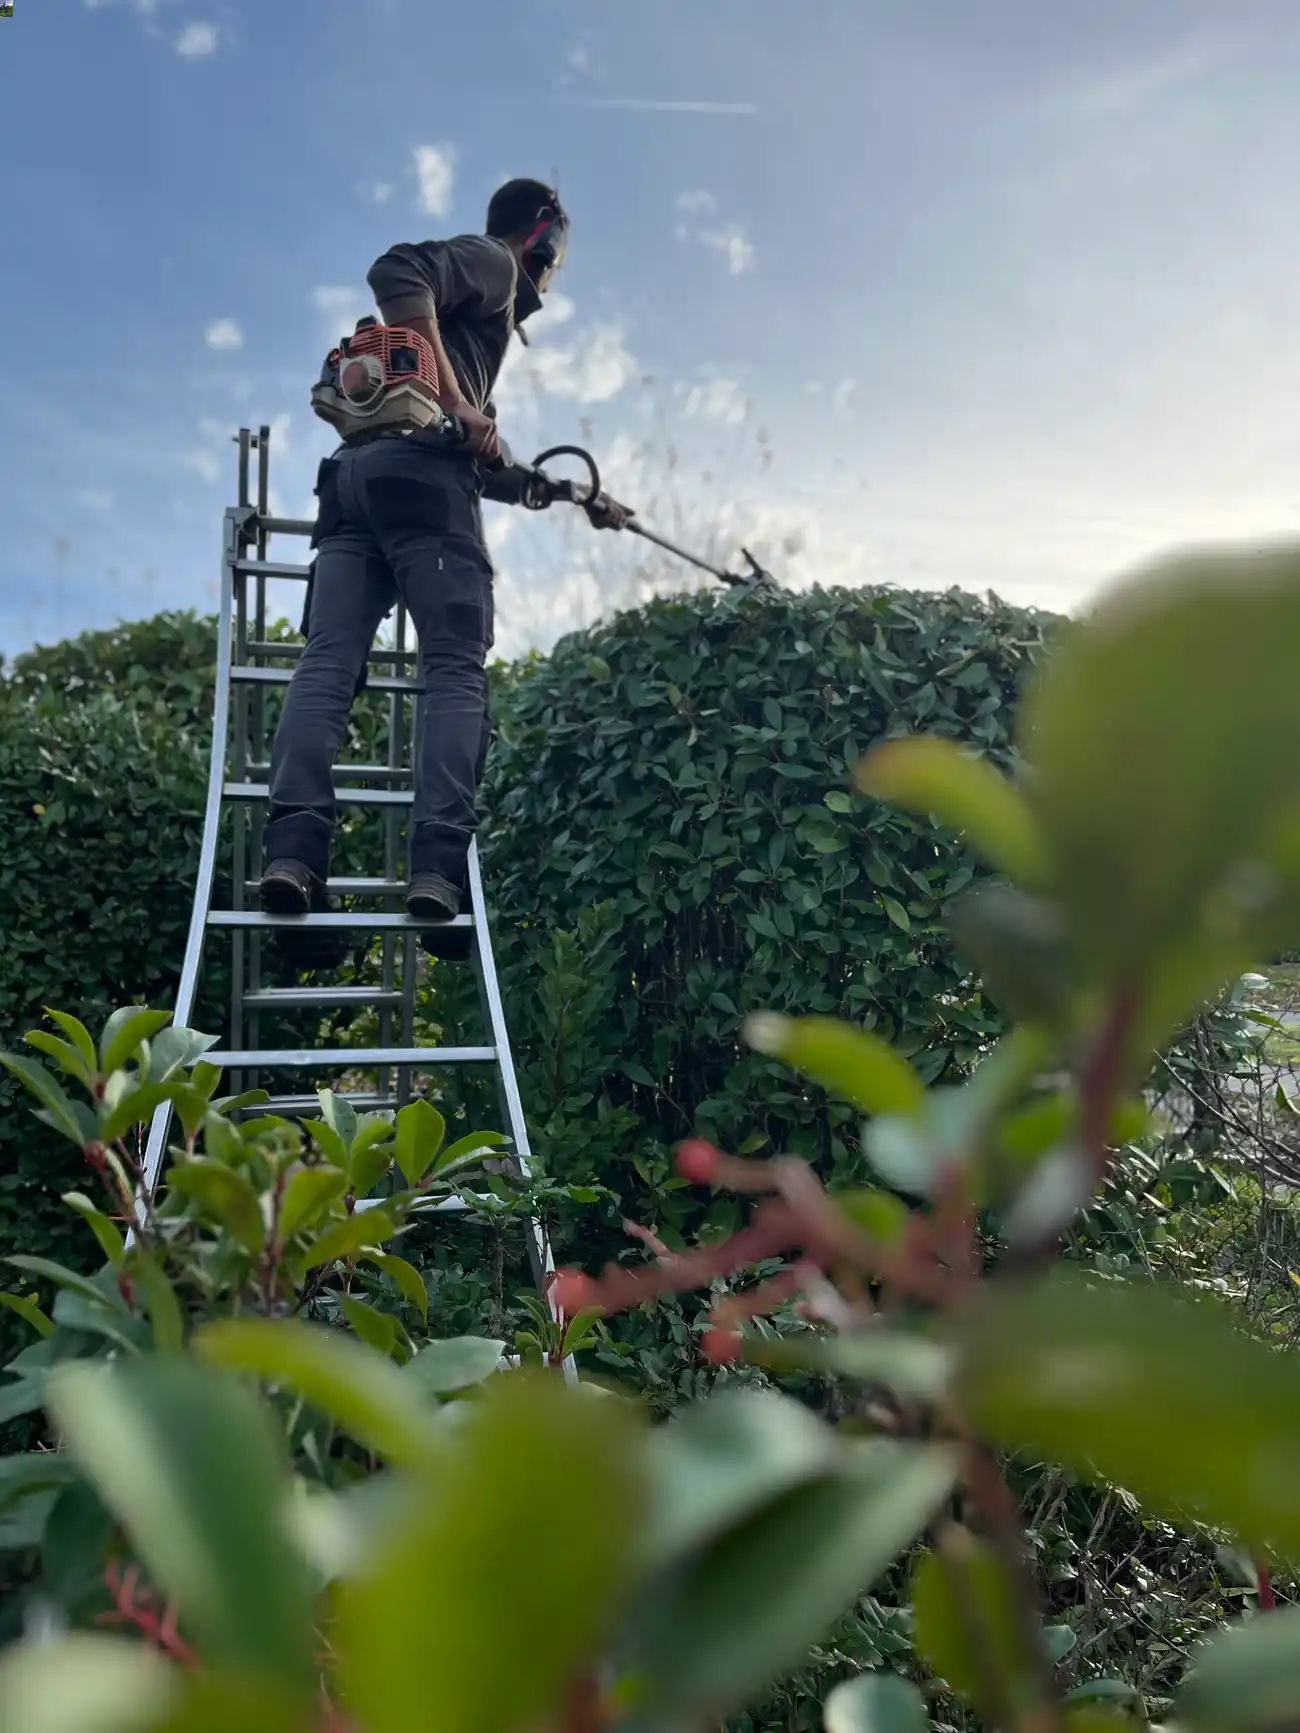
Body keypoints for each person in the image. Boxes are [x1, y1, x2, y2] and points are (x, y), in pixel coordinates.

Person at [259, 178, 632, 939]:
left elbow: (484, 457)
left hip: (355, 484)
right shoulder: (493, 264)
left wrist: (567, 493)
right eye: (555, 260)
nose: (549, 281)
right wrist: (462, 407)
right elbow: (397, 269)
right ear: (542, 239)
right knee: (455, 668)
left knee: (328, 659)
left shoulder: (452, 343)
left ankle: (293, 853)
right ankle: (437, 868)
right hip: (424, 486)